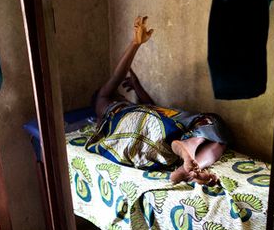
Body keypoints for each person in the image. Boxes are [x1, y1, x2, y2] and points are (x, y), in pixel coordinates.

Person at [88, 16, 231, 186]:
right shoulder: (105, 104)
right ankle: (188, 151)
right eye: (118, 94)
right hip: (152, 123)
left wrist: (137, 86)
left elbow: (150, 108)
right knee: (208, 125)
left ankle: (190, 165)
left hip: (161, 122)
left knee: (218, 134)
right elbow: (117, 77)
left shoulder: (136, 110)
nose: (122, 96)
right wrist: (135, 44)